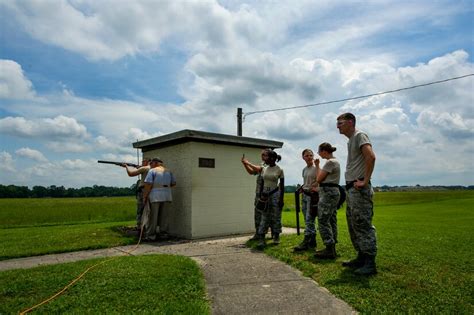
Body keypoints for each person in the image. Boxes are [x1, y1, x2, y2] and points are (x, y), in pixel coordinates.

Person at [337, 112, 377, 275]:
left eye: (341, 122)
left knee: (362, 224)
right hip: (351, 189)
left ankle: (370, 263)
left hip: (359, 188)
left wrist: (365, 180)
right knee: (354, 224)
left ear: (351, 122)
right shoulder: (350, 140)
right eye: (337, 122)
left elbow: (371, 157)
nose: (338, 125)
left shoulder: (360, 135)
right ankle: (361, 257)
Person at [313, 143, 341, 259]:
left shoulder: (330, 162)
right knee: (331, 219)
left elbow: (319, 178)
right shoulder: (335, 162)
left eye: (319, 151)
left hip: (328, 192)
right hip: (331, 191)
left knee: (323, 220)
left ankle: (329, 248)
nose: (318, 154)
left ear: (324, 151)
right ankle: (332, 247)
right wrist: (318, 166)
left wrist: (318, 167)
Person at [254, 149, 284, 249]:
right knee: (264, 216)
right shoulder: (264, 169)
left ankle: (276, 236)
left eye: (266, 156)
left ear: (272, 158)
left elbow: (282, 186)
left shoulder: (279, 169)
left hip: (275, 195)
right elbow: (262, 182)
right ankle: (261, 238)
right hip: (265, 195)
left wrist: (281, 200)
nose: (264, 158)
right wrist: (261, 195)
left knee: (276, 216)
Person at [142, 157, 176, 241]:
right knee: (164, 217)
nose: (150, 165)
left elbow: (148, 184)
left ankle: (151, 236)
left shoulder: (152, 171)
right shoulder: (169, 171)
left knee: (153, 216)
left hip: (155, 195)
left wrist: (145, 196)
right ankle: (164, 234)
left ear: (155, 163)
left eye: (151, 163)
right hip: (167, 195)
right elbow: (173, 183)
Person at [293, 149, 318, 252]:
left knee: (309, 218)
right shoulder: (304, 169)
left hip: (313, 196)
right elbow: (306, 182)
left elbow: (319, 181)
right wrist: (301, 189)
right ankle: (313, 241)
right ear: (303, 157)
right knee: (306, 218)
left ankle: (306, 241)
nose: (309, 157)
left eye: (311, 155)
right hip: (305, 195)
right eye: (307, 155)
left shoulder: (316, 168)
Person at [241, 150, 267, 240]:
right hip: (258, 194)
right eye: (262, 155)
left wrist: (248, 162)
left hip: (266, 195)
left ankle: (266, 234)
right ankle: (258, 233)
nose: (262, 156)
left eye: (265, 155)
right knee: (257, 214)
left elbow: (260, 169)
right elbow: (252, 172)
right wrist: (245, 164)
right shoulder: (262, 164)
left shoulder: (269, 166)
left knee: (266, 215)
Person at [121, 158, 150, 229]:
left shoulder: (145, 168)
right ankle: (146, 226)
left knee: (140, 209)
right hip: (149, 190)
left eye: (143, 161)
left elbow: (130, 174)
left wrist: (126, 167)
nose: (142, 162)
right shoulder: (152, 169)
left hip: (143, 190)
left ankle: (139, 227)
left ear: (147, 162)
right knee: (147, 209)